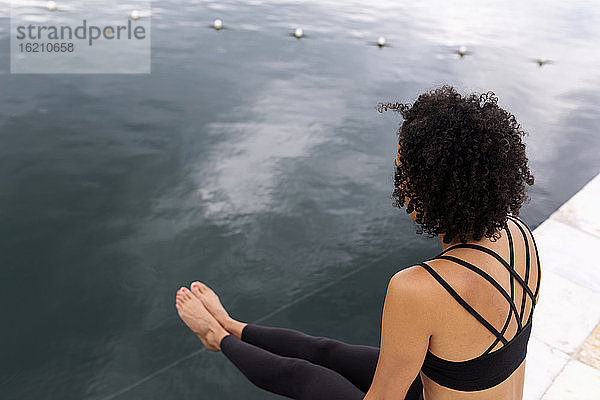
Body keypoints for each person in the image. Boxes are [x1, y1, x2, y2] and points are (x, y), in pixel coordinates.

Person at [175, 85, 541, 400]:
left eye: (402, 173)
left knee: (303, 377)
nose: (397, 183)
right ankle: (232, 324)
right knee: (327, 351)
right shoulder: (519, 235)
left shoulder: (419, 289)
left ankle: (215, 336)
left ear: (432, 191)